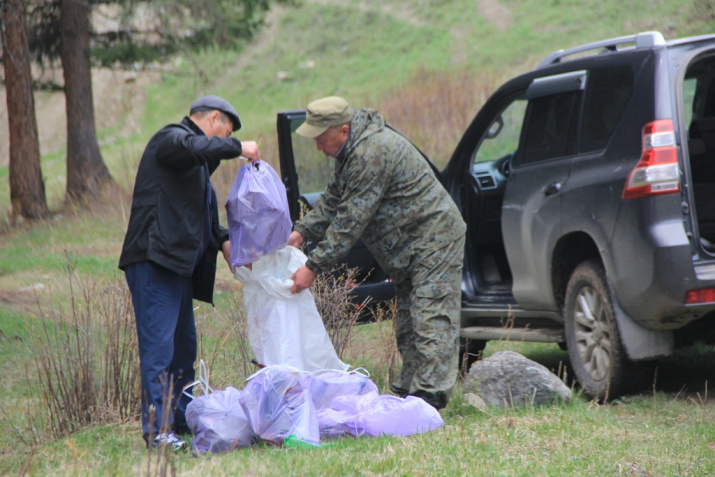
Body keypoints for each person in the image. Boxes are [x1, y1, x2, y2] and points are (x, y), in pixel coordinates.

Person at [287, 96, 466, 410]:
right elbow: (332, 199)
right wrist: (301, 232)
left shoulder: (372, 152)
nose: (319, 148)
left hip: (433, 239)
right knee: (409, 323)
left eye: (322, 140)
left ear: (343, 130)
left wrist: (313, 267)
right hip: (411, 247)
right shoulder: (351, 151)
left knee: (431, 317)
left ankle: (430, 399)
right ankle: (410, 393)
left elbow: (351, 219)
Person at [118, 95, 261, 449]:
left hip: (177, 268)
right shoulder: (170, 139)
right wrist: (238, 147)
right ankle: (158, 432)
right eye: (224, 133)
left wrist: (226, 244)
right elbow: (191, 146)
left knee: (184, 349)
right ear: (213, 119)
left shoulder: (193, 167)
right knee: (159, 349)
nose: (220, 147)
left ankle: (180, 419)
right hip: (154, 263)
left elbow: (203, 211)